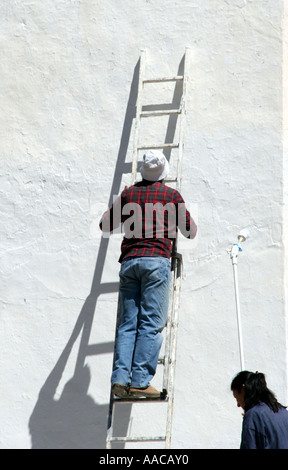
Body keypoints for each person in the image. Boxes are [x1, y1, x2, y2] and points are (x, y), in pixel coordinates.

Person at [99, 150, 197, 398]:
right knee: (151, 323)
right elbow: (190, 231)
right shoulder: (171, 195)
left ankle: (120, 379)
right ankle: (140, 380)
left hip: (130, 263)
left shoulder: (130, 193)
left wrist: (122, 203)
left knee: (127, 323)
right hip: (156, 262)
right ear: (163, 173)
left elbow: (105, 225)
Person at [231, 370, 288, 449]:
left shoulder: (253, 415)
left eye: (237, 398)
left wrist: (251, 418)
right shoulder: (283, 411)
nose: (238, 405)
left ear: (243, 389)